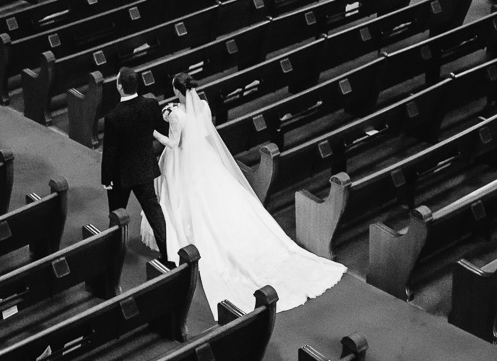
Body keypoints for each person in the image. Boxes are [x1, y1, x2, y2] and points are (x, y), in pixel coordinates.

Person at [142, 72, 346, 318]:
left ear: (177, 91)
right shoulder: (203, 106)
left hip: (183, 163)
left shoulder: (176, 114)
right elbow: (205, 133)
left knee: (185, 202)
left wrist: (155, 132)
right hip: (205, 159)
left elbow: (174, 144)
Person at [101, 67, 171, 265]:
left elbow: (110, 152)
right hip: (144, 168)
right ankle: (167, 256)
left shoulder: (113, 117)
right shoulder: (151, 104)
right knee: (154, 211)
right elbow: (161, 128)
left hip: (120, 175)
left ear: (120, 87)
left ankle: (113, 254)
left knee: (117, 214)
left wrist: (106, 179)